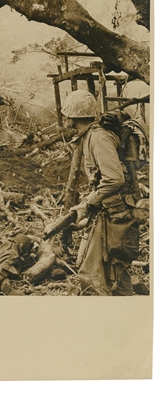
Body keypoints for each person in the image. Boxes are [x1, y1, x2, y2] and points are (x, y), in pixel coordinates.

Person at [62, 90, 141, 296]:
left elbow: (114, 179)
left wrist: (88, 202)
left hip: (116, 215)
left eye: (67, 114)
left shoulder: (98, 138)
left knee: (94, 277)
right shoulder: (91, 136)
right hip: (113, 212)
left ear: (72, 115)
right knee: (117, 273)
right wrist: (85, 209)